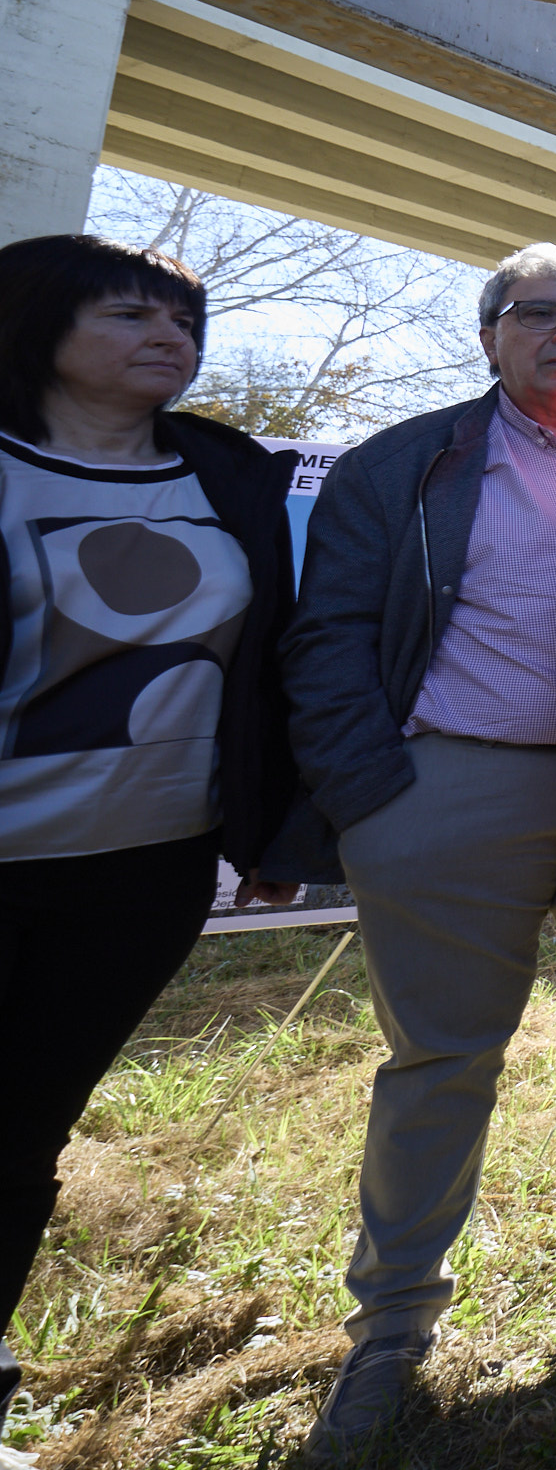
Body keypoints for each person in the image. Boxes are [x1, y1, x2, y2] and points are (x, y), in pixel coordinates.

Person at [272, 242, 556, 1461]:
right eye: (536, 313)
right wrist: (372, 794)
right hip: (447, 786)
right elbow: (326, 633)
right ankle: (390, 1327)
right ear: (490, 334)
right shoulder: (408, 461)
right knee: (440, 1060)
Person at [0, 235, 301, 1411]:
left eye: (182, 319)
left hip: (145, 870)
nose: (168, 336)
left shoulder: (224, 478)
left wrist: (271, 825)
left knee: (25, 1132)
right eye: (130, 314)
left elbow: (271, 664)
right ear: (38, 325)